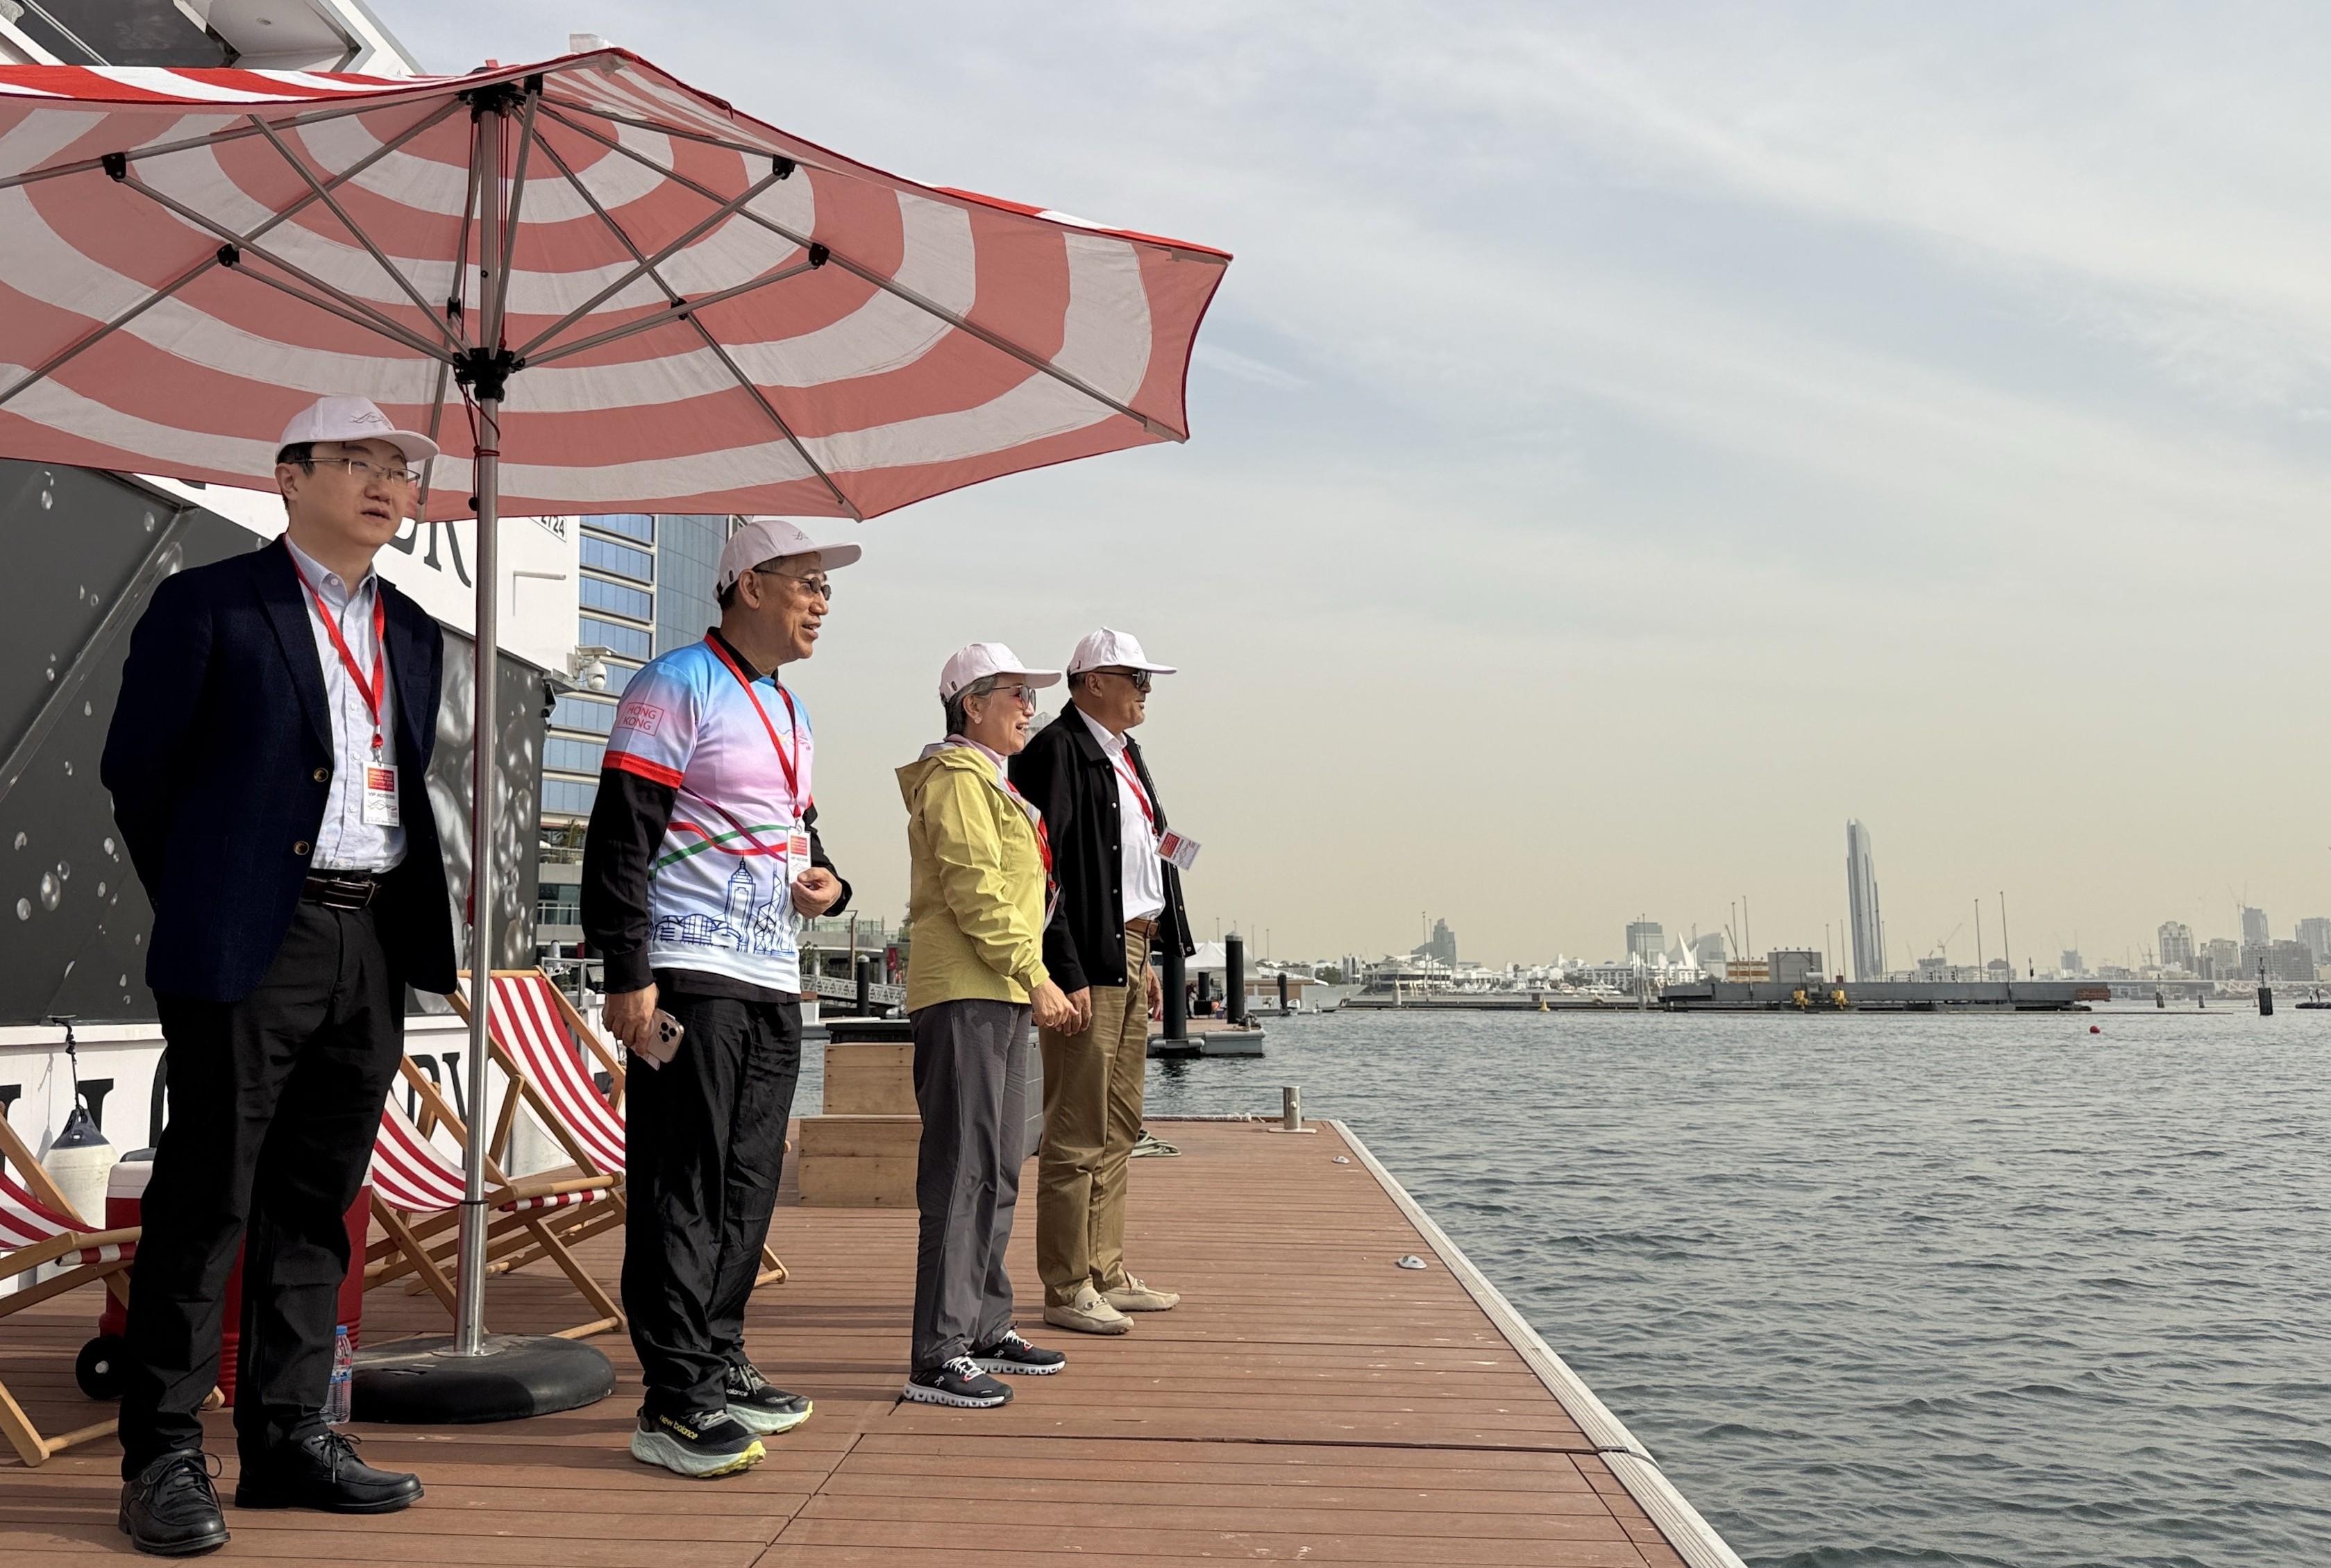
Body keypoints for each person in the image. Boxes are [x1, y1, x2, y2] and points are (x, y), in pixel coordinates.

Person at [100, 395, 455, 1556]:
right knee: (207, 1198)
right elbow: (138, 774)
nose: (383, 483)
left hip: (371, 934)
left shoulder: (410, 628)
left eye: (397, 467)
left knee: (318, 1201)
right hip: (250, 939)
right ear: (287, 477)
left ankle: (292, 1432)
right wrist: (215, 896)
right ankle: (161, 1449)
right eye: (354, 462)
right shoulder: (208, 602)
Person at [581, 517, 855, 1478]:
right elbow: (620, 831)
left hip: (772, 973)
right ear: (745, 584)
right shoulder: (674, 683)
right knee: (680, 1182)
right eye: (806, 582)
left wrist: (831, 882)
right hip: (689, 970)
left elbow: (797, 833)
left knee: (748, 1180)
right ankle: (672, 1397)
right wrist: (626, 971)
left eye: (828, 588)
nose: (822, 601)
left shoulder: (791, 711)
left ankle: (719, 1352)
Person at [895, 644, 1077, 1407]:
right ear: (972, 704)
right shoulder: (955, 781)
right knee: (961, 1171)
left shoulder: (994, 785)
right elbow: (974, 891)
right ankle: (937, 1351)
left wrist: (1030, 975)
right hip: (969, 989)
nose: (1029, 707)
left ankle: (982, 1325)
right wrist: (1036, 975)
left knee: (999, 1166)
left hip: (998, 988)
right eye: (1016, 693)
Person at [1008, 628, 1195, 1336]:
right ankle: (1065, 1286)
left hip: (1131, 949)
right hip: (1090, 950)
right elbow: (1041, 871)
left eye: (1149, 678)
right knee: (1075, 1128)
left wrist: (1150, 957)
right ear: (1088, 681)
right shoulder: (1057, 751)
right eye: (1134, 676)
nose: (1146, 689)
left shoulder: (1124, 754)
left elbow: (1146, 861)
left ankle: (1105, 1270)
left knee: (1118, 1125)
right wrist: (1066, 967)